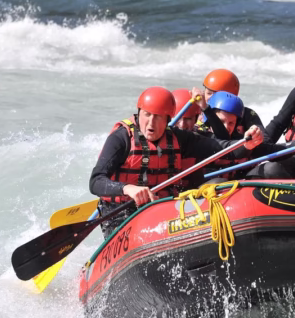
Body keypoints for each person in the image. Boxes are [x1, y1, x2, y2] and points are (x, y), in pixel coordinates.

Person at [89, 86, 264, 237]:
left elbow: (223, 149)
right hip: (121, 213)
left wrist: (247, 144)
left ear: (167, 119)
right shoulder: (121, 139)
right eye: (147, 114)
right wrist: (128, 189)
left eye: (158, 117)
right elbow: (96, 181)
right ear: (139, 113)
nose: (151, 122)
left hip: (160, 209)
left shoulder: (180, 139)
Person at [193, 69, 265, 140]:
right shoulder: (195, 112)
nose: (211, 99)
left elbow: (265, 140)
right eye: (209, 93)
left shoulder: (247, 114)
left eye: (218, 95)